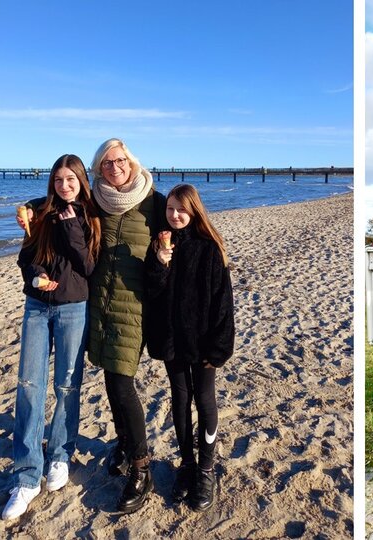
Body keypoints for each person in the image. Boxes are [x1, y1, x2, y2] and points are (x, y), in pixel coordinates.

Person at [17, 138, 167, 514]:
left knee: (118, 382)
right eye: (106, 163)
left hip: (130, 305)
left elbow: (183, 224)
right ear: (98, 171)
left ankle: (141, 467)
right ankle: (121, 445)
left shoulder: (151, 202)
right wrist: (27, 209)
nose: (114, 167)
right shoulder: (97, 201)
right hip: (96, 303)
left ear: (131, 161)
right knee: (105, 380)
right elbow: (52, 204)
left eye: (120, 160)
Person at [3, 154, 101, 520]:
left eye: (70, 179)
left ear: (81, 180)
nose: (64, 186)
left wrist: (72, 225)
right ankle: (26, 476)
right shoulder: (40, 212)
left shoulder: (91, 216)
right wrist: (36, 276)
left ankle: (60, 455)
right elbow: (27, 257)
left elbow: (88, 265)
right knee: (29, 385)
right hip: (36, 306)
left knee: (67, 386)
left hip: (74, 307)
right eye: (58, 180)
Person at [144, 184, 235, 512]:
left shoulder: (210, 248)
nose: (175, 215)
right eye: (170, 209)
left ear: (194, 210)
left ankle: (206, 469)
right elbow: (151, 294)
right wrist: (159, 264)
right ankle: (187, 464)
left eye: (181, 209)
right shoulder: (159, 244)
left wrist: (219, 346)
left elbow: (223, 302)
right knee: (180, 399)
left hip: (203, 342)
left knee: (205, 399)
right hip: (172, 341)